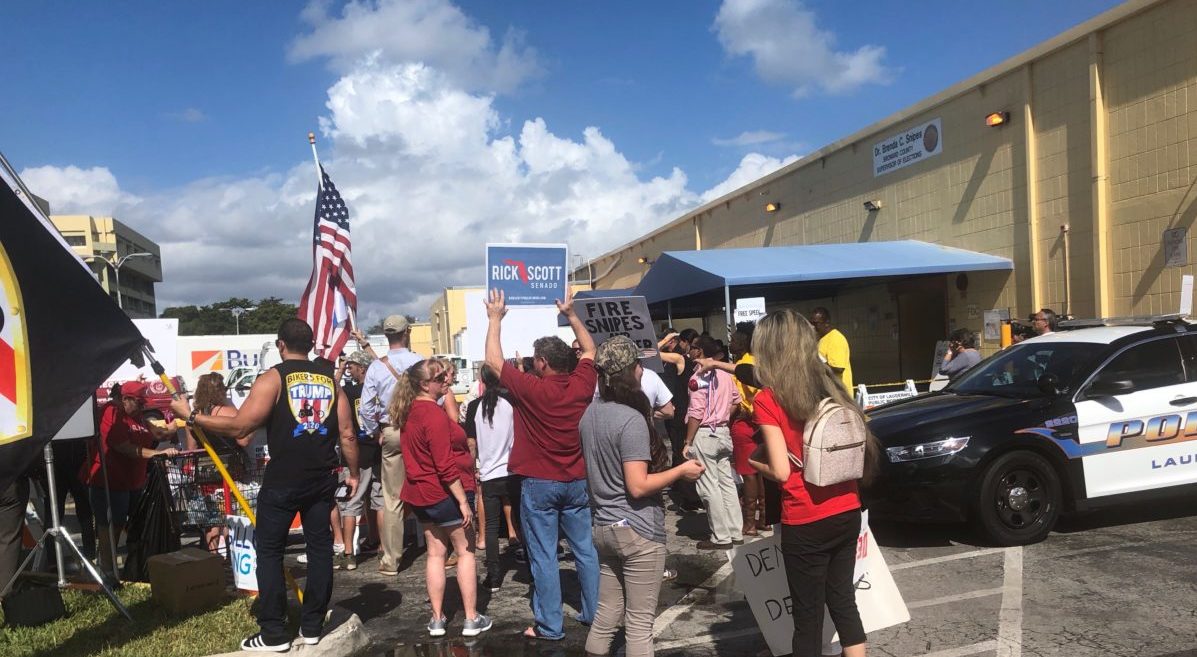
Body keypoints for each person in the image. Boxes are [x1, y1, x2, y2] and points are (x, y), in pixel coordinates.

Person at [172, 319, 359, 652]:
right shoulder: (332, 383)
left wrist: (191, 417)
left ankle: (274, 633)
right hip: (322, 478)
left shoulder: (273, 377)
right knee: (319, 550)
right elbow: (347, 434)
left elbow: (241, 426)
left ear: (280, 345)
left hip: (284, 479)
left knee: (270, 553)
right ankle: (312, 625)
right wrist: (354, 472)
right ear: (312, 345)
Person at [749, 309, 872, 657]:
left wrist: (754, 461)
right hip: (847, 505)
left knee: (807, 617)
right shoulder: (829, 383)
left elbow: (782, 471)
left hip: (805, 517)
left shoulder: (768, 398)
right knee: (843, 601)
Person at [483, 287, 601, 641]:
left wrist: (494, 319)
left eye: (536, 359)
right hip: (577, 480)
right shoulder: (581, 383)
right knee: (585, 550)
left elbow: (492, 363)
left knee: (544, 556)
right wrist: (572, 315)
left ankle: (550, 625)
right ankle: (595, 612)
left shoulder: (532, 389)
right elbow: (591, 350)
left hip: (539, 483)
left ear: (543, 363)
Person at [580, 336, 704, 657]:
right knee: (638, 625)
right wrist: (680, 471)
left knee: (606, 616)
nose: (641, 370)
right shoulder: (630, 419)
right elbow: (637, 485)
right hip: (637, 529)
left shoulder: (590, 415)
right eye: (638, 365)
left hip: (604, 526)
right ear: (630, 371)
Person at [391, 358, 492, 638]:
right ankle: (471, 618)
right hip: (443, 492)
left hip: (420, 493)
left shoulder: (408, 411)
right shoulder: (432, 414)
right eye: (439, 378)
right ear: (424, 384)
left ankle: (437, 619)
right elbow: (444, 464)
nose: (446, 380)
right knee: (465, 552)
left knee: (435, 553)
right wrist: (461, 500)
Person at [82, 380, 179, 575]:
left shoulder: (139, 417)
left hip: (134, 482)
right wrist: (156, 454)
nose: (143, 408)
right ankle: (107, 572)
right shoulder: (112, 411)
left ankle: (134, 567)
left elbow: (158, 433)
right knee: (112, 526)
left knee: (136, 525)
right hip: (110, 480)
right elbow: (122, 446)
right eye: (140, 403)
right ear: (126, 399)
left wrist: (176, 423)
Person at [359, 316, 423, 576]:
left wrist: (376, 432)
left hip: (392, 429)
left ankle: (391, 560)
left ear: (386, 336)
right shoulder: (419, 362)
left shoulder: (376, 367)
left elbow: (366, 407)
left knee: (392, 497)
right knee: (430, 484)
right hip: (419, 428)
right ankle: (442, 545)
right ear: (407, 332)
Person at [463, 364, 519, 592]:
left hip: (488, 474)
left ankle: (494, 576)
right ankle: (533, 570)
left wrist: (473, 468)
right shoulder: (511, 404)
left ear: (481, 381)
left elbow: (471, 443)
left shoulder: (475, 407)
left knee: (491, 527)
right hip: (513, 471)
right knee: (522, 522)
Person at [684, 335, 742, 550]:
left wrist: (687, 440)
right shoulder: (725, 374)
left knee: (709, 487)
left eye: (693, 347)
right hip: (723, 432)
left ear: (700, 352)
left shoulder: (698, 376)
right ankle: (735, 531)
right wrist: (723, 416)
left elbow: (696, 412)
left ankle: (720, 536)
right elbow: (736, 401)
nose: (690, 351)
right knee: (726, 483)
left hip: (705, 433)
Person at [188, 373, 253, 555]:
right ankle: (233, 556)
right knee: (231, 514)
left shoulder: (193, 416)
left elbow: (192, 448)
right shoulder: (228, 412)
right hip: (230, 470)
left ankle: (213, 558)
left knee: (212, 521)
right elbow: (243, 441)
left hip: (205, 472)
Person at [336, 349, 384, 570]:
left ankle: (348, 553)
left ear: (362, 368)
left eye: (352, 366)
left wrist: (338, 371)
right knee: (379, 501)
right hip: (376, 450)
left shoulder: (348, 391)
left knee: (350, 504)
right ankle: (382, 545)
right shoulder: (377, 392)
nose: (350, 370)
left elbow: (332, 390)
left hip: (355, 454)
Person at [810, 307, 852, 393]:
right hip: (829, 393)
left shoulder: (835, 338)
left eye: (816, 323)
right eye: (811, 323)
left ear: (827, 323)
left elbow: (839, 369)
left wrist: (819, 362)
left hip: (840, 395)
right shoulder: (822, 339)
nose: (813, 327)